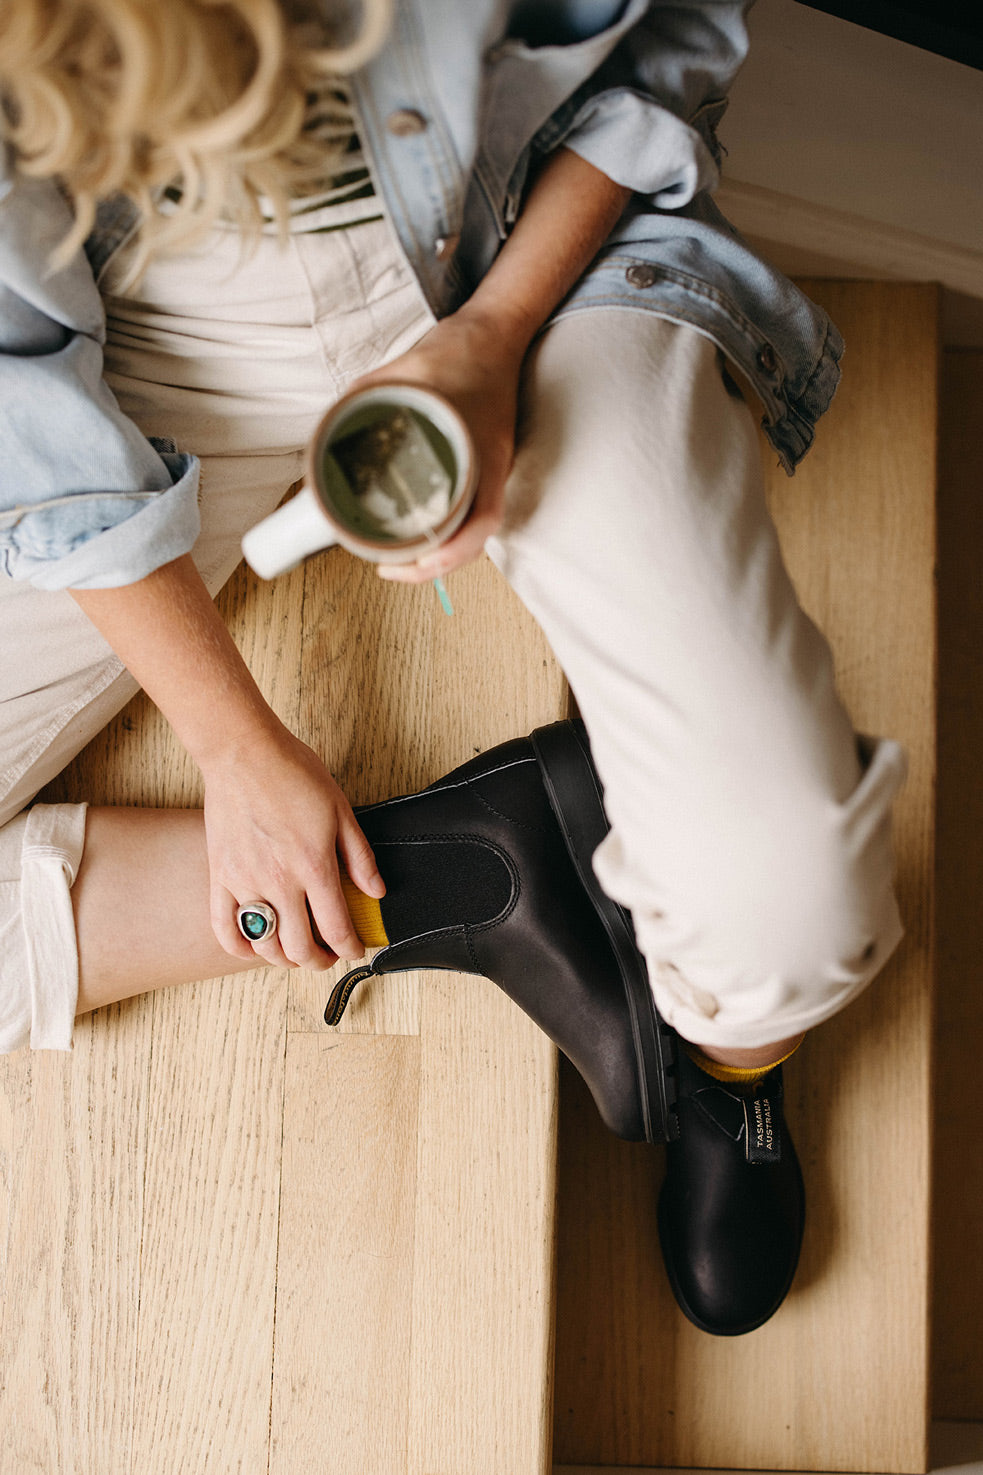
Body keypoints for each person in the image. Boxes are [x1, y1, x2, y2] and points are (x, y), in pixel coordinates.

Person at [0, 0, 906, 1335]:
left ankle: (733, 1055)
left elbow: (674, 39)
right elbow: (22, 379)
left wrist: (491, 335)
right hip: (154, 346)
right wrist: (236, 749)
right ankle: (466, 868)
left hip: (524, 255)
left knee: (792, 905)